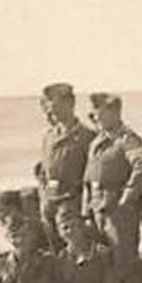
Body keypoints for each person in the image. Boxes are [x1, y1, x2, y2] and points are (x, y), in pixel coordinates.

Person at [84, 92, 142, 283]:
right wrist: (86, 211)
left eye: (100, 113)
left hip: (118, 213)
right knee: (108, 266)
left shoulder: (127, 140)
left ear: (115, 113)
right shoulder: (98, 142)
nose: (96, 117)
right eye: (94, 113)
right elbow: (90, 179)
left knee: (127, 265)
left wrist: (127, 197)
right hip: (98, 211)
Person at [34, 81, 95, 248]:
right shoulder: (49, 136)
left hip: (72, 205)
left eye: (53, 102)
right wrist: (44, 194)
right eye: (47, 103)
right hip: (49, 203)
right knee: (55, 252)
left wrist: (86, 210)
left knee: (77, 252)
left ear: (70, 103)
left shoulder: (87, 136)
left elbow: (92, 176)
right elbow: (45, 170)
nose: (49, 108)